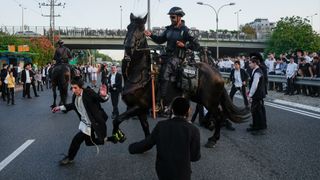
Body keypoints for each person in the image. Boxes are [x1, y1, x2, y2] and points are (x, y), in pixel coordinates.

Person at [129, 97, 201, 180]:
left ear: (172, 110)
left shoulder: (161, 125)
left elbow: (147, 143)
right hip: (183, 173)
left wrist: (132, 148)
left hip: (163, 171)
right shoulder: (193, 130)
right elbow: (195, 157)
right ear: (188, 111)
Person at [144, 7, 200, 109]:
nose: (171, 18)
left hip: (178, 58)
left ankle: (161, 102)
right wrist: (151, 35)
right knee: (149, 63)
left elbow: (197, 45)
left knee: (164, 72)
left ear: (179, 17)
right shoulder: (168, 29)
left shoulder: (186, 31)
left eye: (173, 16)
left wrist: (185, 46)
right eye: (170, 16)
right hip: (167, 55)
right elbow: (160, 40)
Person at [52, 77, 110, 165]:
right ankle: (109, 139)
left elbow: (99, 98)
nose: (73, 90)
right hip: (85, 123)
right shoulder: (75, 95)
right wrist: (59, 108)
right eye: (72, 88)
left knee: (76, 140)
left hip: (94, 122)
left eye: (75, 88)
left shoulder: (88, 93)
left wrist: (104, 95)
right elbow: (72, 105)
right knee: (89, 142)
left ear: (81, 87)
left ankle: (70, 158)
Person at [247, 56, 267, 135]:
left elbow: (255, 85)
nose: (249, 65)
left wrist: (250, 95)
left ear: (254, 63)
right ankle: (256, 125)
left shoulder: (258, 72)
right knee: (257, 110)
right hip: (258, 94)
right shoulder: (255, 70)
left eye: (250, 63)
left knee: (257, 111)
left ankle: (259, 128)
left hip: (257, 94)